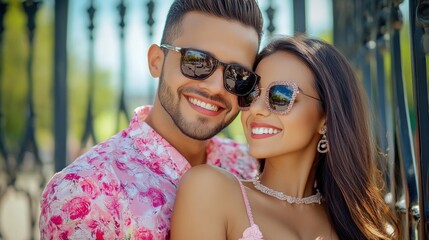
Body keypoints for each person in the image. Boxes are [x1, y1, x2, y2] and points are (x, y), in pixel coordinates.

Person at [39, 1, 263, 239]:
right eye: (197, 62)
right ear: (156, 61)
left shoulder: (252, 167)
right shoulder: (83, 193)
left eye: (238, 76)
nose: (216, 87)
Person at [170, 36, 400, 240]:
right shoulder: (210, 189)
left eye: (280, 96)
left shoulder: (357, 224)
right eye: (250, 94)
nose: (256, 109)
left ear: (326, 119)